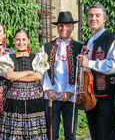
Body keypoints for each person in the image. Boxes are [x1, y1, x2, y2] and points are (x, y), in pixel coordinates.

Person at [0, 29, 49, 139]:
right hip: (14, 98)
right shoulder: (7, 58)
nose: (21, 42)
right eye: (18, 39)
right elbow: (9, 76)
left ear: (28, 40)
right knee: (14, 130)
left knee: (33, 131)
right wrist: (29, 72)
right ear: (14, 41)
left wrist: (16, 75)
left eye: (24, 39)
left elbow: (38, 76)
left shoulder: (37, 57)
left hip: (33, 98)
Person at [78, 4, 115, 140]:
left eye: (97, 15)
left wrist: (89, 63)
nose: (93, 18)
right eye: (90, 15)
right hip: (89, 96)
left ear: (104, 19)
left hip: (106, 96)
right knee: (95, 136)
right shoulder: (88, 41)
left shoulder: (111, 39)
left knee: (106, 136)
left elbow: (114, 65)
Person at [40, 11, 82, 140]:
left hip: (70, 97)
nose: (64, 28)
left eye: (67, 25)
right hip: (51, 96)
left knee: (70, 134)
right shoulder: (46, 47)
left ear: (72, 27)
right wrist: (48, 89)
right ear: (57, 27)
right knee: (52, 134)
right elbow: (41, 69)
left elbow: (81, 72)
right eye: (61, 25)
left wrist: (70, 91)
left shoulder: (79, 47)